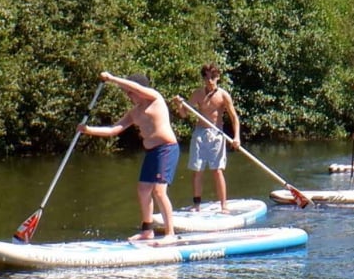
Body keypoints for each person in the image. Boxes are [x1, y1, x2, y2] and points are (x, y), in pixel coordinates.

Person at [80, 71, 179, 240]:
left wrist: (111, 79)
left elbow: (137, 87)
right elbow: (113, 130)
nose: (128, 96)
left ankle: (170, 233)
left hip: (166, 149)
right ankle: (147, 230)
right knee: (143, 189)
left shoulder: (155, 99)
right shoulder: (134, 112)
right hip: (151, 152)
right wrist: (88, 130)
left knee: (159, 191)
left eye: (129, 93)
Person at [180, 64, 240, 212]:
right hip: (200, 133)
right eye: (206, 77)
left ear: (217, 77)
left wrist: (236, 137)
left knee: (217, 170)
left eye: (212, 77)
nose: (209, 80)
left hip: (217, 134)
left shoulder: (223, 95)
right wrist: (180, 104)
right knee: (197, 170)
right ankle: (196, 204)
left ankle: (223, 205)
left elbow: (234, 118)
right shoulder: (198, 94)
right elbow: (183, 114)